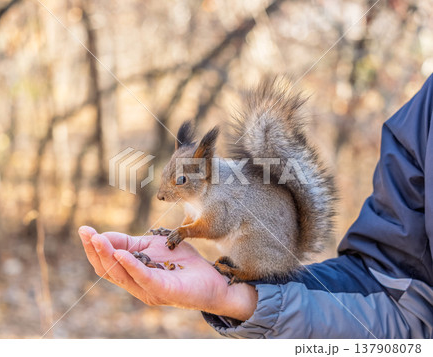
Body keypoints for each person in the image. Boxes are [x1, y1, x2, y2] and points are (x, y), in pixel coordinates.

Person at [79, 75, 433, 338]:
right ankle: (242, 276)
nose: (164, 194)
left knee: (246, 230)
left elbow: (216, 226)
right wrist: (231, 300)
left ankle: (245, 271)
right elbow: (396, 293)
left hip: (265, 248)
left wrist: (184, 232)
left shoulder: (220, 195)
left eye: (180, 183)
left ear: (203, 169)